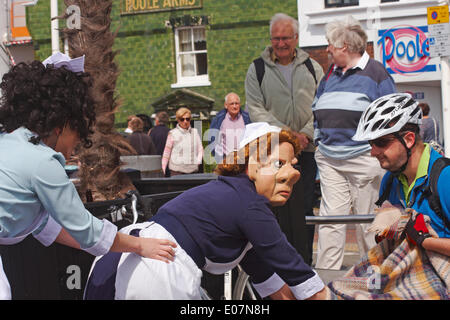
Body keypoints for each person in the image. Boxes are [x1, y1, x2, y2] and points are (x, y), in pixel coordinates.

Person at [84, 122, 328, 300]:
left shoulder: (228, 196)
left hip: (116, 260)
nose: (293, 174)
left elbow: (268, 279)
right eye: (279, 163)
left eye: (293, 164)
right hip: (158, 267)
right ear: (251, 164)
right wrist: (328, 296)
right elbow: (287, 260)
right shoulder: (249, 202)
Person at [0, 54, 176, 300]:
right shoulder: (43, 162)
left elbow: (42, 226)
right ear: (63, 122)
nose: (78, 144)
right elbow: (85, 230)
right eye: (79, 131)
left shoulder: (10, 141)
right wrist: (140, 245)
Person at [311, 16, 397, 270]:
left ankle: (376, 277)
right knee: (330, 222)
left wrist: (381, 151)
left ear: (345, 47)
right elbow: (317, 106)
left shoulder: (377, 72)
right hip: (330, 157)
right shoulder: (330, 75)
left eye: (330, 45)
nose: (327, 49)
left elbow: (392, 115)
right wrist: (318, 138)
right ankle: (326, 280)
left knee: (369, 223)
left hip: (364, 158)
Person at [245, 13, 324, 265]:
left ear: (296, 38)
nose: (280, 43)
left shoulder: (313, 67)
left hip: (307, 152)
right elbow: (256, 109)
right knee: (273, 210)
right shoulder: (256, 69)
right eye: (276, 38)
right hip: (273, 155)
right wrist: (289, 137)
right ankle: (277, 265)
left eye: (285, 38)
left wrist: (306, 136)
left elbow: (322, 105)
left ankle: (304, 265)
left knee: (304, 210)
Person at [353, 93, 449, 255]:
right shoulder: (390, 180)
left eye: (381, 142)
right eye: (371, 144)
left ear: (409, 139)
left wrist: (424, 240)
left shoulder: (444, 178)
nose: (373, 152)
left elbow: (419, 239)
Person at [208, 92, 251, 162]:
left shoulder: (247, 118)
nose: (234, 106)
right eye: (232, 104)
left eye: (236, 103)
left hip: (244, 161)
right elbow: (212, 141)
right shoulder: (218, 120)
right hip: (226, 162)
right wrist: (220, 159)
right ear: (226, 105)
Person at [161, 107, 203, 176]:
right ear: (178, 120)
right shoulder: (172, 133)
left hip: (193, 171)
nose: (185, 121)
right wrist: (163, 168)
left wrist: (198, 162)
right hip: (176, 172)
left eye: (187, 119)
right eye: (182, 119)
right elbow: (166, 153)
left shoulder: (195, 132)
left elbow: (200, 149)